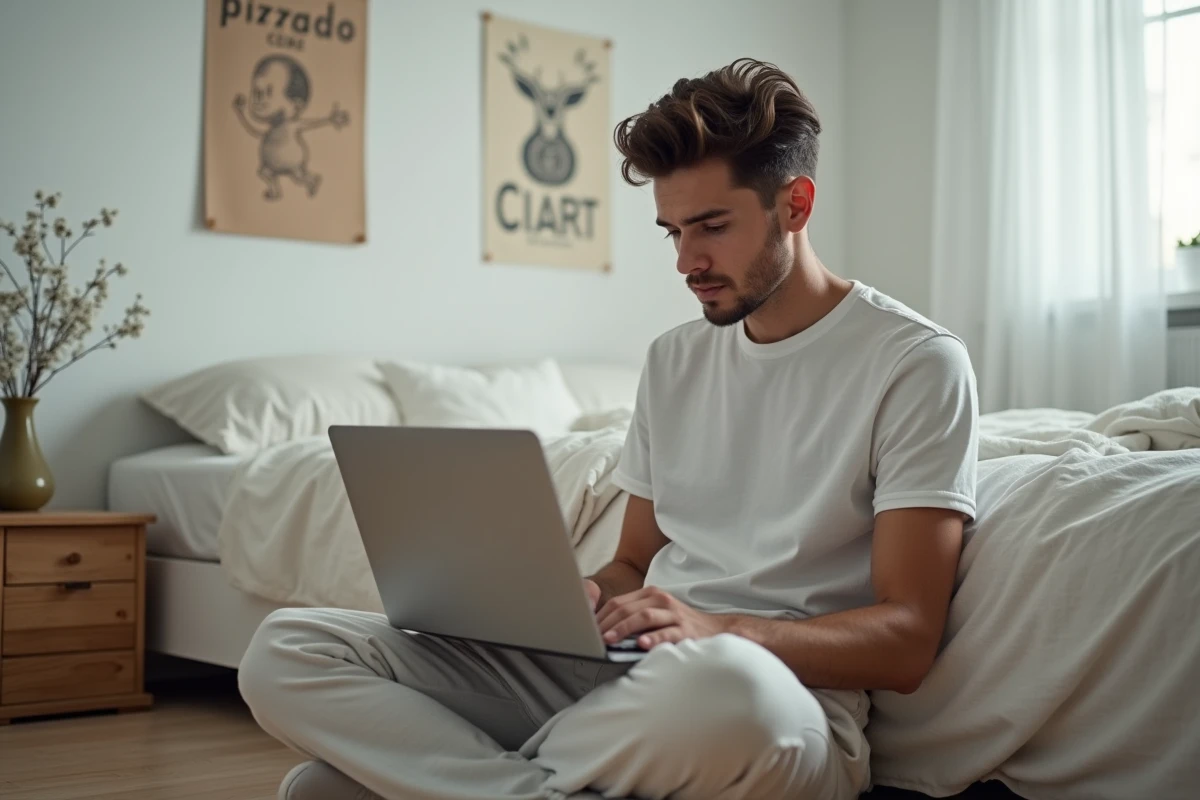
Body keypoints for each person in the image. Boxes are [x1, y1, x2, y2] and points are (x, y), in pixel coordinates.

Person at [238, 57, 979, 800]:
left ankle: (468, 779)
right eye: (673, 232)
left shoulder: (915, 364)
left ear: (795, 204)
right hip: (618, 676)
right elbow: (632, 561)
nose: (688, 261)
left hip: (767, 694)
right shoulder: (674, 359)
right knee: (287, 648)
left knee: (322, 791)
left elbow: (908, 638)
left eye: (713, 227)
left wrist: (717, 628)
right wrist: (577, 602)